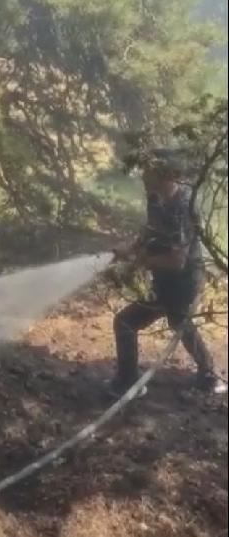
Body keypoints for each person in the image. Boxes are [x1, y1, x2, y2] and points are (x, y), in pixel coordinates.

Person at [111, 148, 227, 397]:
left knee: (140, 321)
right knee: (170, 322)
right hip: (165, 280)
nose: (143, 177)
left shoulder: (183, 207)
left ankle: (206, 375)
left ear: (167, 175)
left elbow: (177, 262)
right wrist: (130, 247)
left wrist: (140, 261)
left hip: (184, 282)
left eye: (149, 173)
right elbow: (150, 230)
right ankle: (206, 374)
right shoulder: (156, 198)